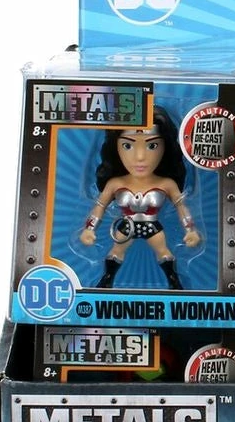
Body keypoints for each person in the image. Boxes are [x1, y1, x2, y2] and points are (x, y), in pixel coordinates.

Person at [80, 106, 200, 290]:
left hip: (152, 226)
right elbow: (99, 206)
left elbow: (181, 207)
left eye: (152, 145)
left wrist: (190, 230)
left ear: (165, 146)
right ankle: (107, 280)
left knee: (164, 253)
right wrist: (89, 229)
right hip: (126, 227)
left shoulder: (166, 184)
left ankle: (174, 281)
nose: (140, 157)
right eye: (128, 145)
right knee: (115, 253)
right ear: (116, 146)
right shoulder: (115, 183)